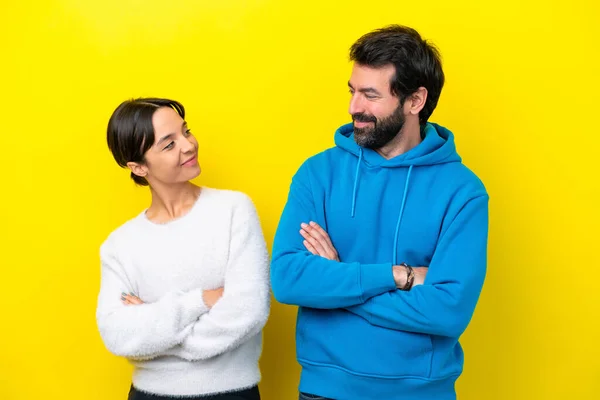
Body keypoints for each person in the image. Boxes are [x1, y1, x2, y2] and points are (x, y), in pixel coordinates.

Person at [271, 25, 489, 400]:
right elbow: (289, 279)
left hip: (421, 393)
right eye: (353, 91)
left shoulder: (462, 191)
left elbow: (447, 310)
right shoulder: (318, 173)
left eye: (370, 95)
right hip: (325, 391)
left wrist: (337, 281)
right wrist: (397, 276)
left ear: (415, 101)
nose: (355, 107)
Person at [96, 98, 270, 400]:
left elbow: (249, 309)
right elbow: (118, 334)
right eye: (168, 144)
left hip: (231, 394)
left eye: (186, 132)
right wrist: (201, 300)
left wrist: (157, 334)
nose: (188, 145)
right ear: (138, 167)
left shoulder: (233, 210)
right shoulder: (120, 245)